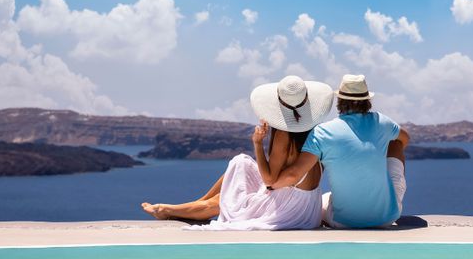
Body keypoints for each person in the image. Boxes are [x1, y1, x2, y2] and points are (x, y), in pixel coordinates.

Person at [141, 75, 334, 230]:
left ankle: (168, 209)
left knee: (227, 202)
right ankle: (196, 203)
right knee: (241, 162)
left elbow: (269, 181)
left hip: (289, 212)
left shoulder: (284, 135)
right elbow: (289, 177)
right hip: (307, 208)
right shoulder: (315, 133)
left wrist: (257, 144)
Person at [271, 74, 409, 228]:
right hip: (386, 218)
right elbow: (405, 138)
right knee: (395, 143)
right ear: (367, 101)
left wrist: (272, 185)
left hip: (344, 222)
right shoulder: (382, 121)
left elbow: (294, 174)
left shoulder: (322, 132)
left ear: (339, 101)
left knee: (325, 200)